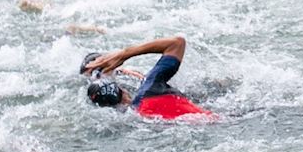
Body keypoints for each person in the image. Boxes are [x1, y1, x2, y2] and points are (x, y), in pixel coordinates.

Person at [83, 35, 214, 118]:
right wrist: (124, 54)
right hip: (221, 121)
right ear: (122, 90)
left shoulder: (137, 116)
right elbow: (177, 43)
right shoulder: (149, 89)